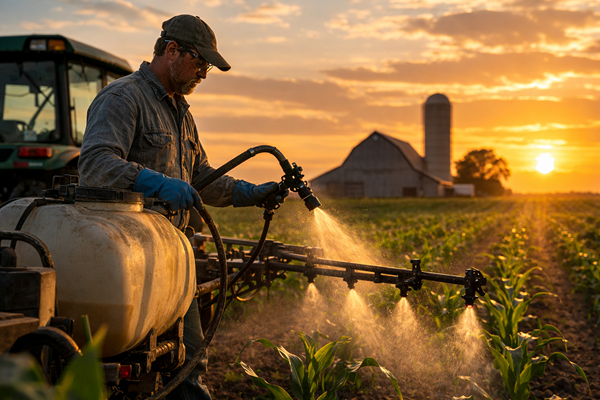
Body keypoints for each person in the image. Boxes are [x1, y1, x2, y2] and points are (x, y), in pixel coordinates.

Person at [78, 14, 281, 400]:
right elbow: (96, 164)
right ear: (171, 51)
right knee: (142, 366)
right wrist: (155, 182)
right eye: (200, 62)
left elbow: (200, 177)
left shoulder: (181, 115)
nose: (203, 73)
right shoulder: (123, 97)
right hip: (130, 260)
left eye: (207, 66)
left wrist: (249, 193)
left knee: (187, 360)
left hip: (173, 256)